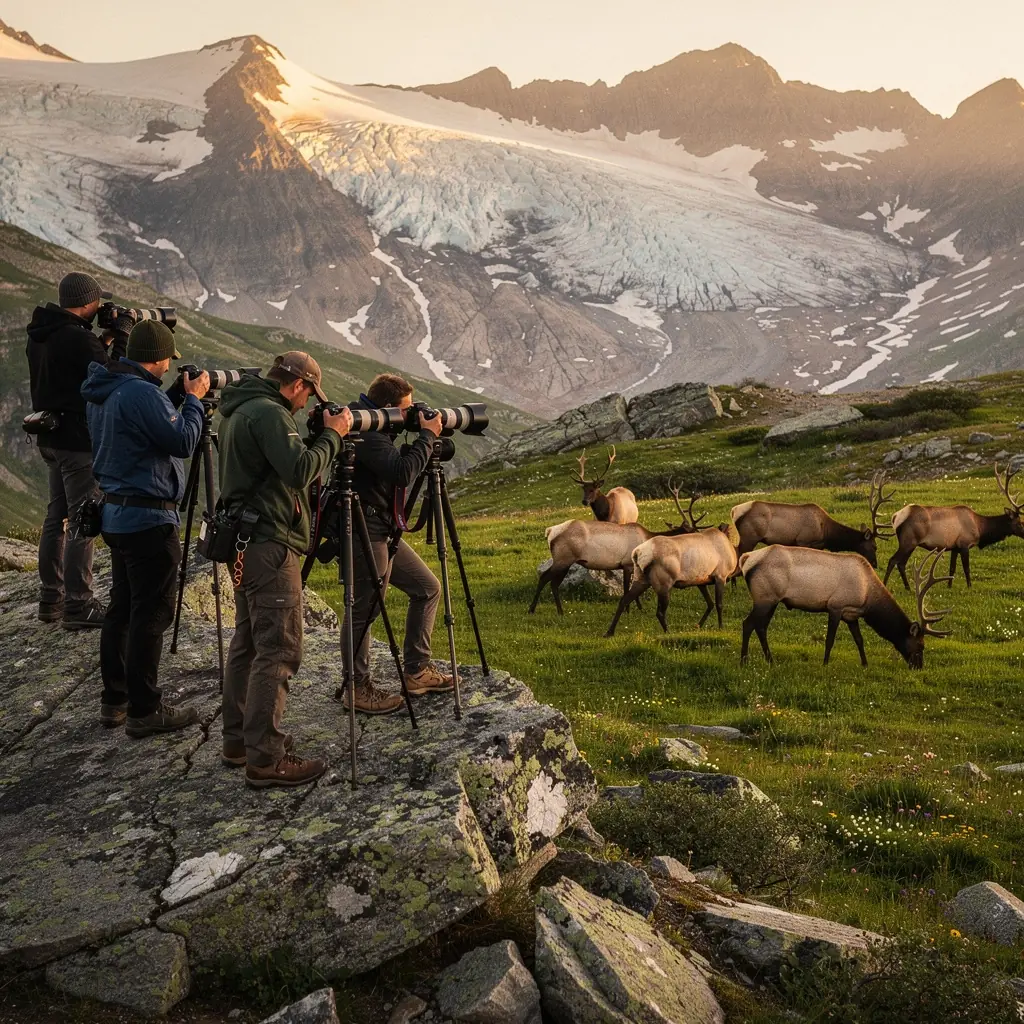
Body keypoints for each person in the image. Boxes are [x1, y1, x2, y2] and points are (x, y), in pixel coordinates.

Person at [217, 352, 353, 789]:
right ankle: (267, 757)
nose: (308, 403)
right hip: (269, 544)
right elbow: (298, 470)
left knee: (249, 642)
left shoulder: (242, 408)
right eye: (309, 394)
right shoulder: (270, 414)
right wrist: (332, 436)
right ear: (298, 385)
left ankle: (238, 740)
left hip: (244, 541)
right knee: (278, 648)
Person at [81, 320, 210, 734]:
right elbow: (183, 443)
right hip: (149, 518)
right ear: (157, 358)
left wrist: (172, 399)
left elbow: (145, 425)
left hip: (117, 515)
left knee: (121, 608)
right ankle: (145, 709)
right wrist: (193, 401)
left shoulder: (107, 389)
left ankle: (114, 699)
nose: (168, 368)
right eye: (166, 362)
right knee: (151, 613)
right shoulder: (140, 393)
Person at [342, 373, 453, 715]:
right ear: (388, 407)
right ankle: (356, 687)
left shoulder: (380, 428)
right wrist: (426, 437)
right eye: (406, 408)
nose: (410, 414)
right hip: (365, 532)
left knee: (427, 587)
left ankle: (416, 671)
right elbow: (403, 473)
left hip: (383, 529)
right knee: (365, 608)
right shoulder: (367, 432)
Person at [26, 272, 131, 628]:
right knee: (83, 520)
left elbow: (71, 371)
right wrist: (122, 340)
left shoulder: (43, 334)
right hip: (77, 442)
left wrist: (100, 338)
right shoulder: (77, 339)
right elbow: (112, 379)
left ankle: (50, 598)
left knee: (55, 518)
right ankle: (79, 604)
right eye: (98, 301)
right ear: (87, 301)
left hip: (49, 437)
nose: (101, 306)